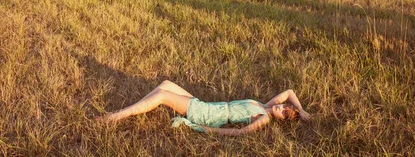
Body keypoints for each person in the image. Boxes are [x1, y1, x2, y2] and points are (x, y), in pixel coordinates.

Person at [96, 80, 311, 135]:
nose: (281, 107)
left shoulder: (263, 117)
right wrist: (301, 111)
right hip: (208, 105)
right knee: (165, 84)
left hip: (207, 115)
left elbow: (241, 132)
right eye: (284, 106)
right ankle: (137, 107)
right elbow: (290, 92)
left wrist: (209, 130)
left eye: (284, 112)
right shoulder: (266, 105)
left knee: (162, 95)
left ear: (281, 119)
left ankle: (114, 117)